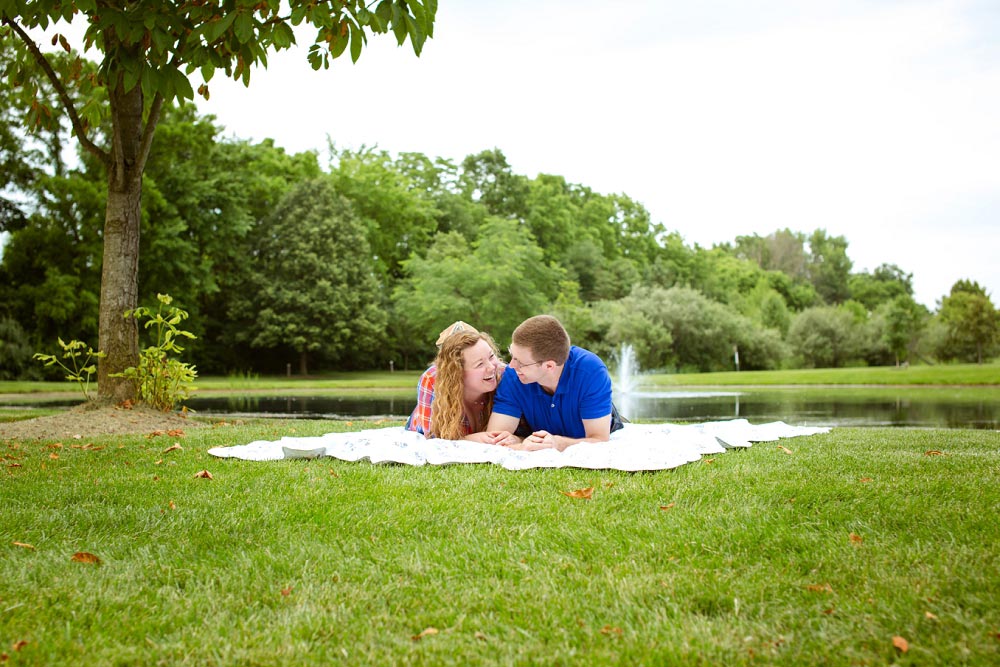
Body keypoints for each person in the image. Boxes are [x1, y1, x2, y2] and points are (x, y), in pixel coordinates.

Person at [482, 314, 623, 451]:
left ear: (549, 366)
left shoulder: (590, 371)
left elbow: (599, 440)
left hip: (595, 421)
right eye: (512, 355)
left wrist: (558, 443)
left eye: (521, 362)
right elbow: (495, 438)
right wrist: (520, 442)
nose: (511, 365)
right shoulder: (513, 375)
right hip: (538, 427)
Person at [405, 322, 507, 442]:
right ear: (457, 372)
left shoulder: (504, 374)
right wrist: (471, 439)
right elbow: (433, 436)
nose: (491, 367)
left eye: (491, 356)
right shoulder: (433, 379)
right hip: (421, 427)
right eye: (479, 364)